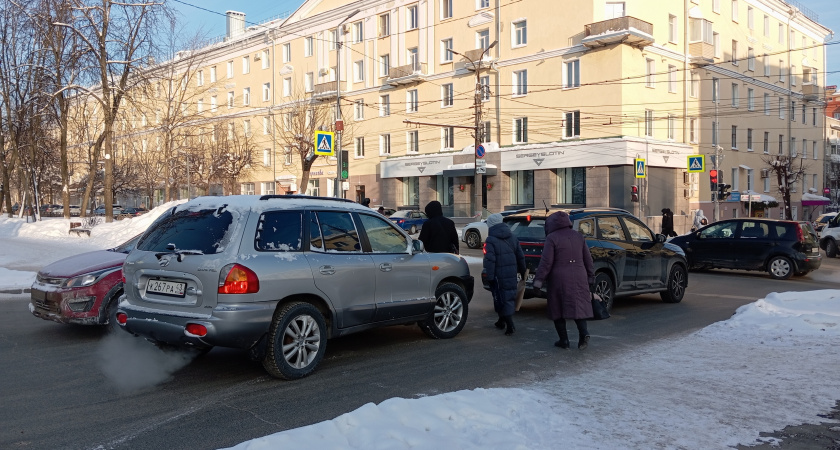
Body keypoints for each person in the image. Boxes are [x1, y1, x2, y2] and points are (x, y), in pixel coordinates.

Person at [532, 211, 595, 350]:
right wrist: (591, 276)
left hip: (559, 277)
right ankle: (583, 333)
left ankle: (564, 340)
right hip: (579, 275)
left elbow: (546, 262)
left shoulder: (552, 238)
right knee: (578, 305)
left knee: (557, 308)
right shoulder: (579, 236)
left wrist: (538, 282)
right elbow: (588, 259)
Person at [482, 213, 526, 336]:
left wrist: (489, 277)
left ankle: (510, 325)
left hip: (498, 274)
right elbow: (520, 256)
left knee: (501, 297)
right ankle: (501, 321)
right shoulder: (512, 237)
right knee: (507, 296)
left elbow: (490, 260)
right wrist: (523, 272)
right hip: (511, 272)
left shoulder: (491, 240)